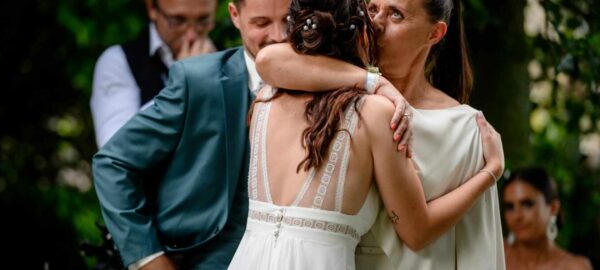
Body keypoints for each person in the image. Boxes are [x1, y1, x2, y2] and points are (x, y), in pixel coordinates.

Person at [227, 0, 504, 269]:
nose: (376, 23)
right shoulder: (365, 105)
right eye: (371, 9)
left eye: (396, 14)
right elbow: (267, 60)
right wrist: (376, 82)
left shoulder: (266, 99)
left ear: (435, 33)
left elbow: (472, 242)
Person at [91, 0, 289, 268]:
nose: (278, 36)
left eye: (203, 21)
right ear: (235, 16)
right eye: (261, 23)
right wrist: (149, 259)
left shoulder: (330, 81)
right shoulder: (200, 78)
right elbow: (114, 157)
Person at [90, 0, 218, 148]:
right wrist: (182, 85)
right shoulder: (118, 61)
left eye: (203, 20)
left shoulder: (229, 60)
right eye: (177, 20)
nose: (191, 35)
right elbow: (116, 148)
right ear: (152, 8)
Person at [503, 167, 592, 270]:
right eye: (510, 207)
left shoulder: (575, 267)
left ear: (553, 208)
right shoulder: (495, 254)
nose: (517, 216)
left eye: (527, 204)